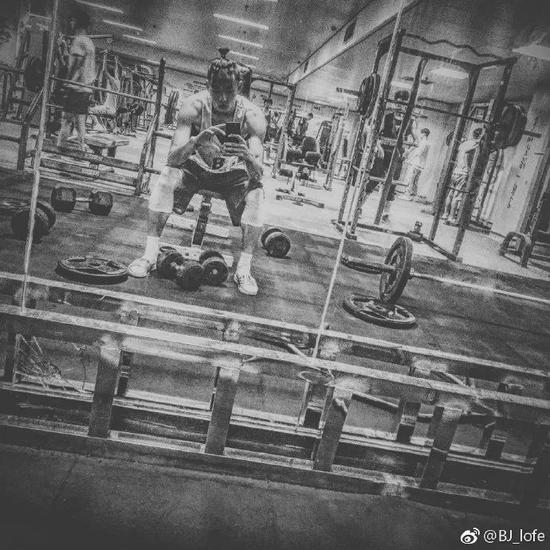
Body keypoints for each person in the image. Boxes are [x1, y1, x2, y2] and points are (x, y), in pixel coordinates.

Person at [128, 49, 266, 296]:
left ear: (239, 87)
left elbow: (258, 174)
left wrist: (246, 155)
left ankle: (244, 270)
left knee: (257, 194)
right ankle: (149, 255)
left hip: (233, 175)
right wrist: (195, 142)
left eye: (229, 91)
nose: (222, 98)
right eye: (216, 90)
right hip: (197, 169)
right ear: (207, 85)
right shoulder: (194, 106)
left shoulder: (252, 116)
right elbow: (172, 159)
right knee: (166, 177)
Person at [57, 9, 96, 151]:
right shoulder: (89, 42)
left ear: (77, 22)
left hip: (75, 87)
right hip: (86, 89)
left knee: (66, 120)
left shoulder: (78, 41)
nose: (70, 23)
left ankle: (60, 147)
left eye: (72, 20)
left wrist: (65, 82)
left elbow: (74, 65)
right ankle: (81, 148)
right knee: (80, 122)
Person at [442, 127, 483, 224]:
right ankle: (451, 217)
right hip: (463, 172)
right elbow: (468, 155)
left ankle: (445, 214)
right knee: (457, 196)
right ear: (480, 136)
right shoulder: (475, 145)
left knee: (451, 193)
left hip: (456, 171)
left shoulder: (464, 143)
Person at [403, 124, 430, 200]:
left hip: (416, 163)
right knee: (415, 181)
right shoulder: (427, 143)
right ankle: (413, 196)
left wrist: (410, 159)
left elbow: (418, 153)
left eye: (421, 133)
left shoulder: (423, 143)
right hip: (420, 165)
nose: (420, 135)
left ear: (424, 134)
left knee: (410, 179)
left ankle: (407, 195)